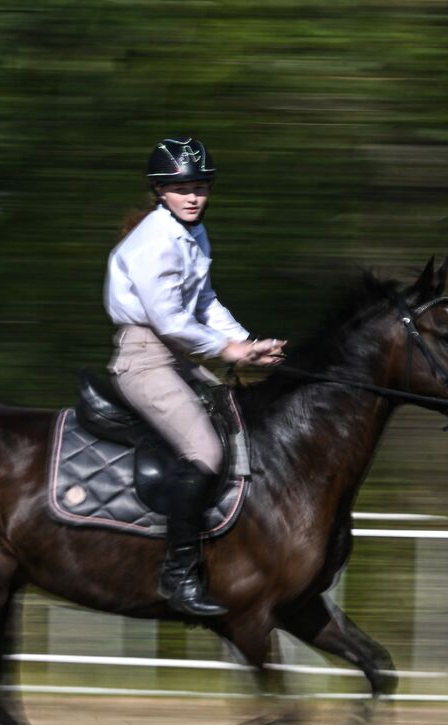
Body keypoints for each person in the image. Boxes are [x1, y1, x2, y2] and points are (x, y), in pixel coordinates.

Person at [104, 136, 285, 617]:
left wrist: (250, 344)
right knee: (204, 452)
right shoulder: (154, 241)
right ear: (161, 191)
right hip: (144, 359)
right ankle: (178, 576)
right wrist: (231, 350)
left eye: (200, 187)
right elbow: (169, 323)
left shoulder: (193, 234)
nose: (193, 196)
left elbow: (204, 303)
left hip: (180, 357)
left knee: (246, 422)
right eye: (182, 188)